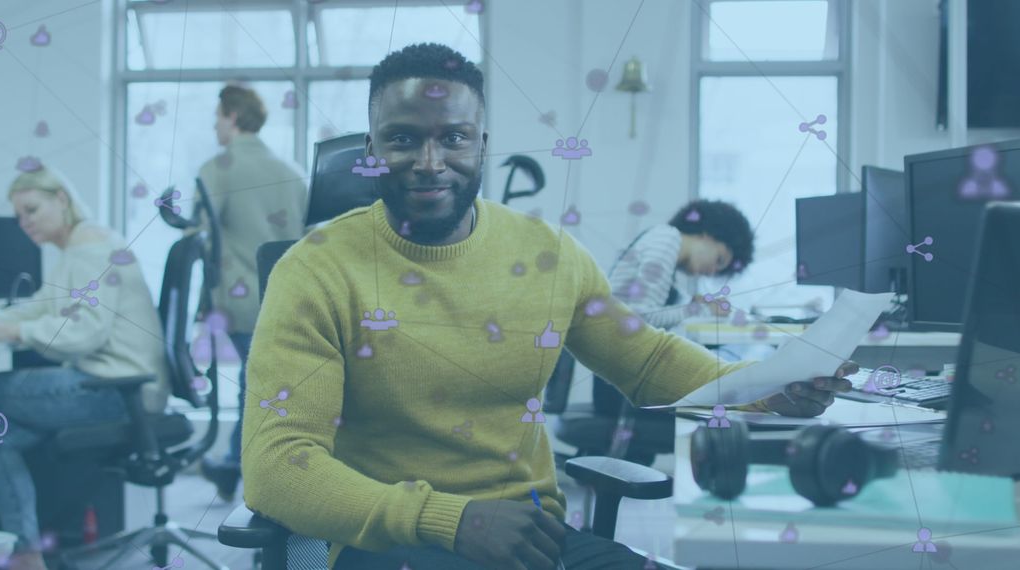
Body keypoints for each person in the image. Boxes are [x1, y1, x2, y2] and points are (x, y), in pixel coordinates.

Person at [241, 43, 855, 570]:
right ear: (371, 147)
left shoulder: (549, 254)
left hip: (534, 542)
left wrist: (765, 386)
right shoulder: (315, 270)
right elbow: (276, 466)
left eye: (452, 138)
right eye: (402, 139)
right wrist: (450, 519)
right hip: (391, 543)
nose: (430, 163)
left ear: (482, 144)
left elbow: (646, 362)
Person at [0, 165, 168, 570]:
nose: (25, 223)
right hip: (113, 386)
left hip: (115, 389)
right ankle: (28, 554)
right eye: (20, 216)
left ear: (61, 199)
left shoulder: (91, 249)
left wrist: (13, 331)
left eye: (32, 210)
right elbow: (42, 306)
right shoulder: (79, 247)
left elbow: (85, 334)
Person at [193, 84, 308, 502]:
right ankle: (232, 466)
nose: (214, 125)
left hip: (239, 302)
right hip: (287, 298)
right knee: (258, 383)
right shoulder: (294, 173)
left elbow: (200, 231)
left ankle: (245, 469)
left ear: (233, 117)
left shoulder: (218, 168)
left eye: (218, 116)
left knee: (253, 385)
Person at [609, 199, 755, 330]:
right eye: (719, 260)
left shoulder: (663, 241)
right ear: (708, 234)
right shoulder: (667, 240)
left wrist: (694, 304)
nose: (711, 272)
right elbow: (644, 318)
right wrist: (705, 310)